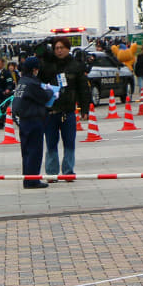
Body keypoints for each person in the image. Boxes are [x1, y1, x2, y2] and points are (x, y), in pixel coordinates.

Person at [38, 37, 87, 180]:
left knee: (69, 143)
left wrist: (85, 109)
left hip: (68, 112)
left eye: (62, 48)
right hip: (51, 111)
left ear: (68, 48)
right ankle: (51, 173)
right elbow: (38, 52)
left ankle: (68, 171)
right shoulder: (47, 64)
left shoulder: (76, 66)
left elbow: (83, 89)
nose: (59, 51)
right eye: (56, 48)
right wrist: (45, 43)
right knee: (51, 143)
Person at [12, 57, 54, 189]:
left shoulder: (22, 82)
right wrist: (50, 90)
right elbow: (44, 96)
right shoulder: (32, 83)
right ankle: (33, 180)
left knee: (26, 151)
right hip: (33, 119)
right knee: (35, 151)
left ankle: (27, 178)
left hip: (24, 120)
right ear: (34, 69)